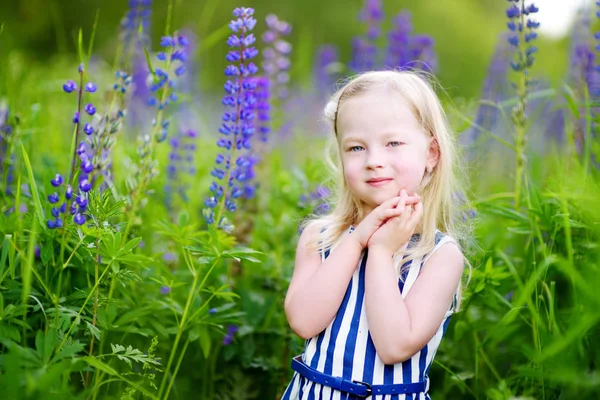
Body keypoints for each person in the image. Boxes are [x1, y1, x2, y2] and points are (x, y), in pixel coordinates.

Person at [280, 70, 470, 400]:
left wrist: (381, 253)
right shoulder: (320, 237)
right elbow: (304, 322)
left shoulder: (439, 255)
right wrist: (356, 240)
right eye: (355, 147)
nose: (373, 161)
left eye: (393, 143)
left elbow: (394, 345)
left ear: (431, 154)